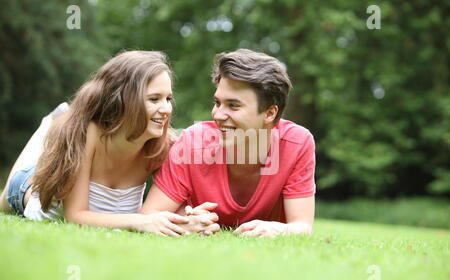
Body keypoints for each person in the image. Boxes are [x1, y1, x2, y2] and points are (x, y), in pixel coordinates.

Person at [0, 50, 219, 237]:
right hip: (28, 188)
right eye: (154, 99)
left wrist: (190, 217)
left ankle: (56, 122)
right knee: (5, 200)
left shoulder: (161, 147)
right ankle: (53, 121)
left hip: (64, 154)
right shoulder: (88, 134)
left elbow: (170, 205)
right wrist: (139, 222)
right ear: (124, 98)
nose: (166, 109)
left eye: (168, 99)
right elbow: (75, 217)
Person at [140, 49, 316, 237]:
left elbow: (302, 226)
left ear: (269, 113)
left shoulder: (296, 143)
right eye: (217, 103)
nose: (218, 115)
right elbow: (150, 215)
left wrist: (280, 229)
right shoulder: (193, 142)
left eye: (233, 105)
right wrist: (184, 222)